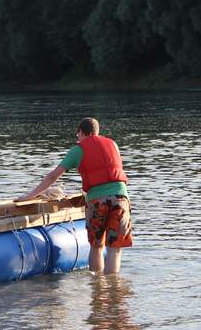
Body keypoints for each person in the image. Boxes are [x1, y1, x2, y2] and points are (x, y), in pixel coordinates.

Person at [17, 117, 132, 274]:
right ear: (97, 132)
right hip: (121, 198)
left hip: (97, 200)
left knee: (97, 246)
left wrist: (30, 196)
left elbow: (53, 176)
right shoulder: (113, 144)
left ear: (81, 132)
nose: (77, 138)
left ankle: (97, 289)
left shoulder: (78, 150)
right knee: (115, 248)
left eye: (77, 134)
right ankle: (113, 292)